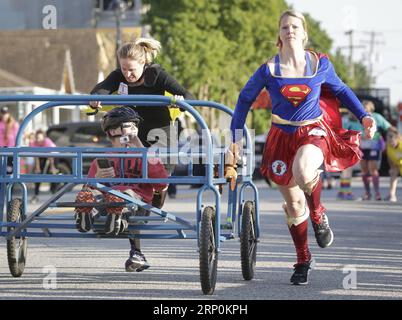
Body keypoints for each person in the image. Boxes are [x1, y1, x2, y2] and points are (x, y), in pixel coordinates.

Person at [226, 10, 376, 285]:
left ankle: (319, 214)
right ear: (279, 36)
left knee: (305, 170)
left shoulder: (320, 65)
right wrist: (234, 138)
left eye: (295, 26)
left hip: (314, 130)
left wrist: (364, 116)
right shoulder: (268, 70)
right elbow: (244, 100)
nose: (290, 30)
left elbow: (342, 90)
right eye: (284, 27)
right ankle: (303, 259)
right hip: (281, 135)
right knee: (294, 204)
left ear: (304, 34)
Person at [89, 37, 195, 208]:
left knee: (158, 175)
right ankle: (126, 209)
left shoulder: (157, 74)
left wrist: (181, 101)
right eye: (124, 69)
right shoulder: (119, 76)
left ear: (143, 64)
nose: (127, 74)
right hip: (134, 131)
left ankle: (158, 193)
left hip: (160, 131)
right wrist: (95, 98)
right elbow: (102, 87)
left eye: (132, 70)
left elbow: (188, 95)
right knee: (132, 173)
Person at [74, 107, 168, 272]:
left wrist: (140, 149)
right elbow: (88, 186)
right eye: (127, 125)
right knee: (92, 193)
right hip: (110, 204)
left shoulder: (145, 155)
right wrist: (97, 179)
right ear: (112, 131)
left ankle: (114, 211)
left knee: (126, 195)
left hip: (137, 205)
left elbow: (161, 182)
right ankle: (88, 213)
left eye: (134, 125)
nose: (132, 129)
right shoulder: (102, 159)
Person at [346, 100, 391, 201]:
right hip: (361, 147)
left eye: (366, 108)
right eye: (362, 108)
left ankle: (377, 193)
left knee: (373, 170)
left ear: (371, 108)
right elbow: (347, 128)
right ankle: (367, 193)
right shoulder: (357, 117)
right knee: (364, 171)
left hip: (373, 146)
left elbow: (388, 127)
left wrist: (394, 136)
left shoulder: (377, 117)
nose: (364, 110)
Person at [29, 129, 58, 204]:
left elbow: (50, 155)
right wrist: (37, 168)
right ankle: (36, 195)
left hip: (53, 155)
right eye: (37, 138)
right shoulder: (34, 143)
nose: (38, 140)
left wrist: (52, 167)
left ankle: (53, 194)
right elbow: (36, 157)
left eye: (40, 138)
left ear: (43, 137)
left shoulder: (47, 141)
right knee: (38, 174)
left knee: (52, 173)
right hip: (42, 155)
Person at [0, 106, 19, 173]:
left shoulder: (14, 124)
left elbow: (17, 137)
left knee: (10, 170)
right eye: (3, 113)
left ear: (9, 114)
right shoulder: (0, 123)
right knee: (2, 169)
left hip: (11, 150)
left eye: (6, 113)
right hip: (1, 150)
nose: (4, 115)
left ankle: (10, 183)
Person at [385, 127, 402, 202]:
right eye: (389, 142)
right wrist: (391, 168)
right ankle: (392, 194)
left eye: (393, 142)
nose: (391, 144)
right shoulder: (388, 146)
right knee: (393, 174)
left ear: (397, 139)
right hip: (396, 163)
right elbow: (389, 157)